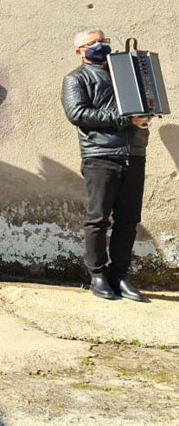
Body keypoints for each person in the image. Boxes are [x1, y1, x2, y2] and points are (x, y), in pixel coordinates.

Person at [61, 28, 152, 301]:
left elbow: (139, 102)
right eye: (93, 43)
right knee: (98, 220)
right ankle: (98, 276)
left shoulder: (122, 74)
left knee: (129, 220)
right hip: (100, 156)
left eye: (104, 41)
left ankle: (120, 275)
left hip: (134, 154)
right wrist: (127, 119)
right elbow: (77, 113)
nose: (101, 46)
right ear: (80, 51)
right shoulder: (75, 79)